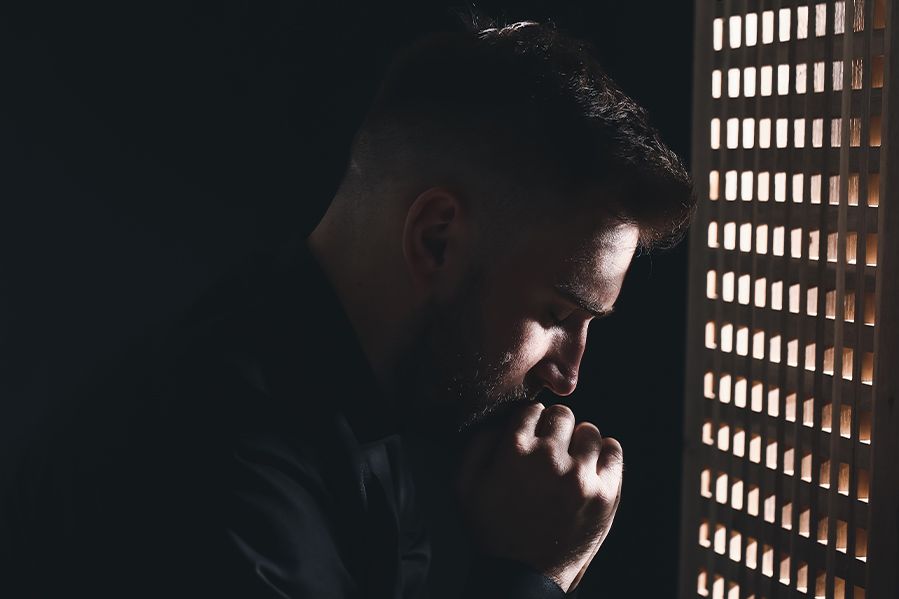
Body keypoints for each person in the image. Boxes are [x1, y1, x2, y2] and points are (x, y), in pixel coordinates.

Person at [1, 19, 693, 598]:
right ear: (435, 238)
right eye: (554, 311)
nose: (567, 375)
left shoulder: (339, 387)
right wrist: (533, 574)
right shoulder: (228, 481)